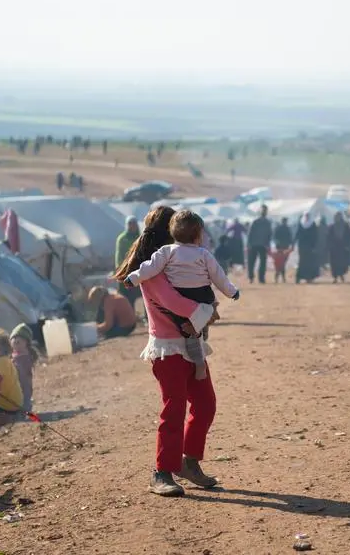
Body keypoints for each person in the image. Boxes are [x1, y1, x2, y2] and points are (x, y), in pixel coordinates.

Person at [114, 206, 221, 497]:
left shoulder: (176, 264)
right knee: (174, 409)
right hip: (168, 347)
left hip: (191, 344)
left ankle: (188, 462)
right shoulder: (151, 270)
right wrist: (205, 310)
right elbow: (172, 301)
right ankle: (161, 472)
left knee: (205, 404)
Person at [124, 210, 239, 376]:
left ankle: (198, 346)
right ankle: (199, 348)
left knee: (190, 329)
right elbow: (218, 276)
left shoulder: (166, 252)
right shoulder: (203, 254)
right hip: (201, 297)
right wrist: (232, 292)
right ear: (198, 235)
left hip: (182, 295)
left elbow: (149, 268)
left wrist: (132, 278)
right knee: (202, 318)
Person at [10, 324, 37, 412]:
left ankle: (26, 407)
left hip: (23, 384)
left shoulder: (24, 357)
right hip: (16, 385)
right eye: (14, 339)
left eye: (19, 340)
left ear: (26, 343)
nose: (16, 341)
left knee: (24, 397)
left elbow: (20, 371)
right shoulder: (15, 355)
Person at [116, 216, 142, 309]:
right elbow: (119, 256)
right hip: (126, 270)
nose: (132, 226)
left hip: (139, 270)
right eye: (130, 224)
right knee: (127, 298)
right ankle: (130, 318)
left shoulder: (140, 237)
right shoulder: (122, 238)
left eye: (134, 224)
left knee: (144, 295)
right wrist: (120, 270)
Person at [247, 205, 272, 284]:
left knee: (258, 263)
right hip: (257, 244)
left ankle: (258, 278)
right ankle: (255, 278)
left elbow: (269, 234)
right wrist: (249, 243)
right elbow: (250, 233)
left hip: (260, 245)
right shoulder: (258, 221)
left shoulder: (264, 222)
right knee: (254, 262)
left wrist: (268, 244)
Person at [327, 211, 350, 283]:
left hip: (342, 248)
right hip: (334, 249)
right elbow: (328, 237)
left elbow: (349, 236)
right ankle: (335, 278)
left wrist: (347, 245)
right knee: (334, 264)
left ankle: (341, 276)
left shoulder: (345, 226)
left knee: (342, 263)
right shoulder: (332, 227)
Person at [294, 213, 320, 284]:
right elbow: (297, 234)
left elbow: (315, 236)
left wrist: (314, 246)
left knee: (309, 262)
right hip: (303, 247)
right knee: (302, 262)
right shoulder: (301, 224)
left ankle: (308, 278)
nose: (307, 217)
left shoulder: (312, 224)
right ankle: (299, 277)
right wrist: (293, 243)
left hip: (309, 247)